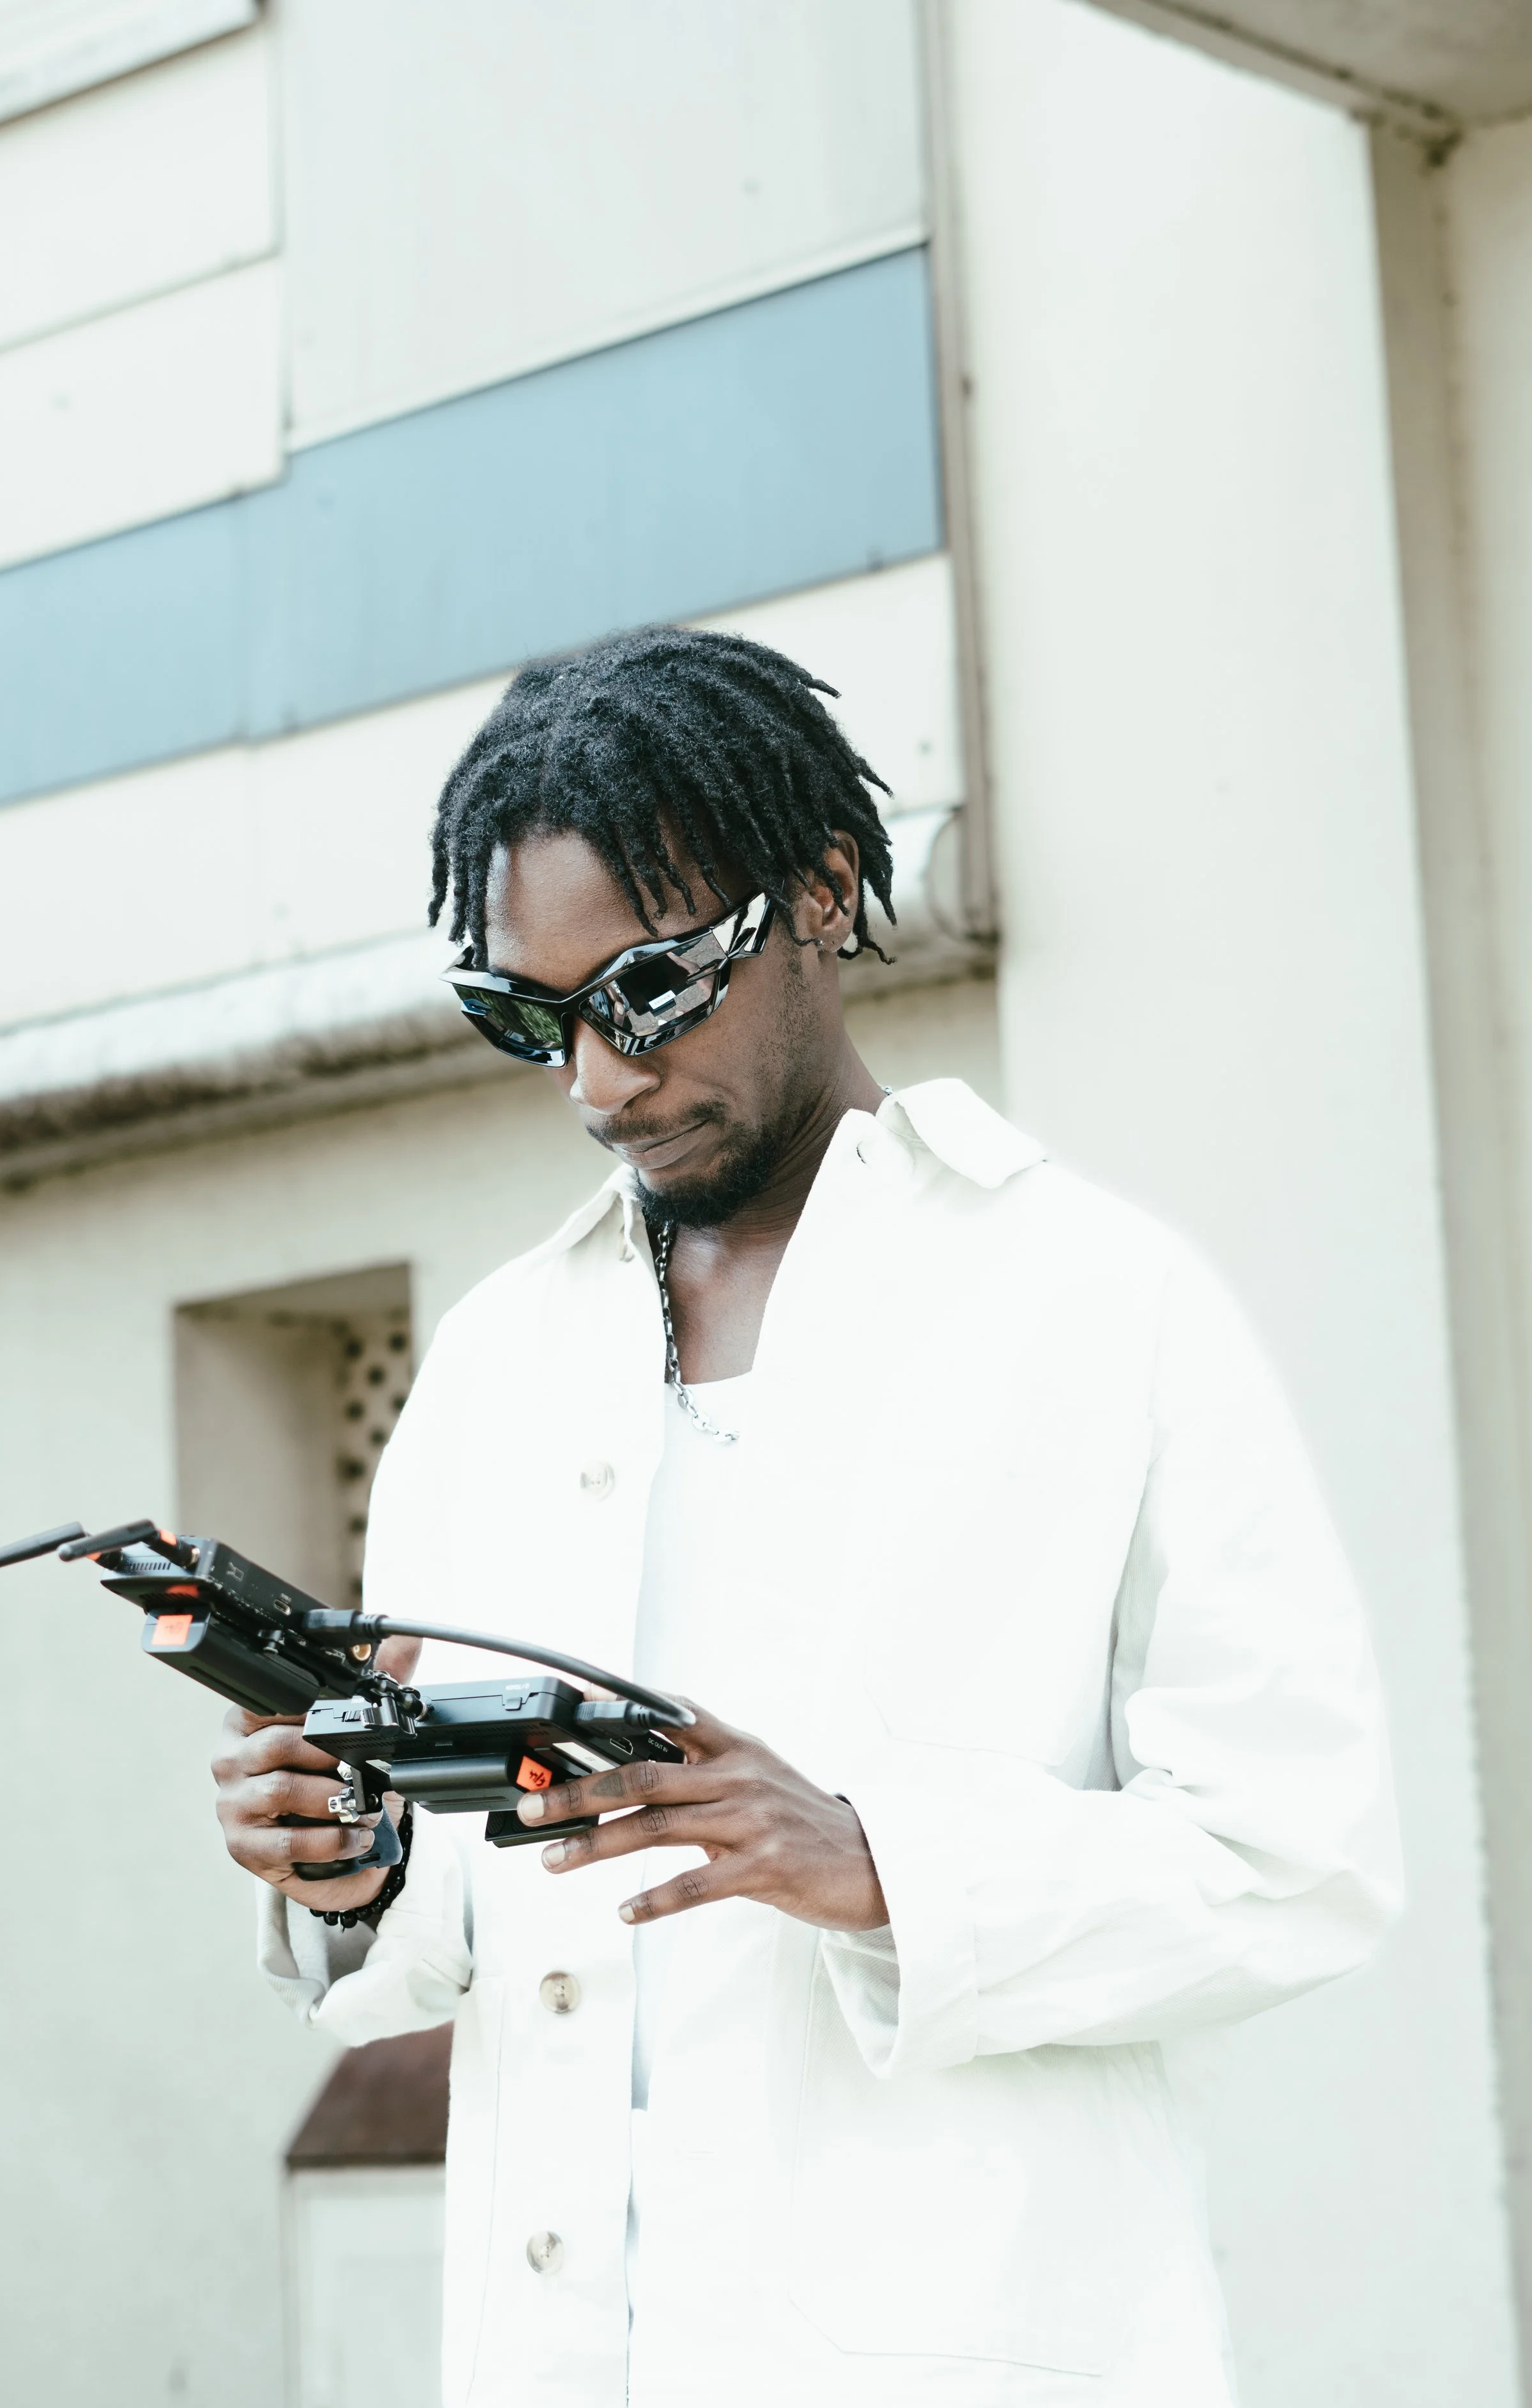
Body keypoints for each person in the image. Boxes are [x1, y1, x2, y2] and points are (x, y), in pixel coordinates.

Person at [213, 626, 1400, 2408]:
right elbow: (476, 1913)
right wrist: (358, 1856)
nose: (598, 1079)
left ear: (824, 893)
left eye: (648, 991)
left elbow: (1298, 1855)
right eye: (530, 1018)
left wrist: (875, 1862)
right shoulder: (493, 1365)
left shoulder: (1097, 1303)